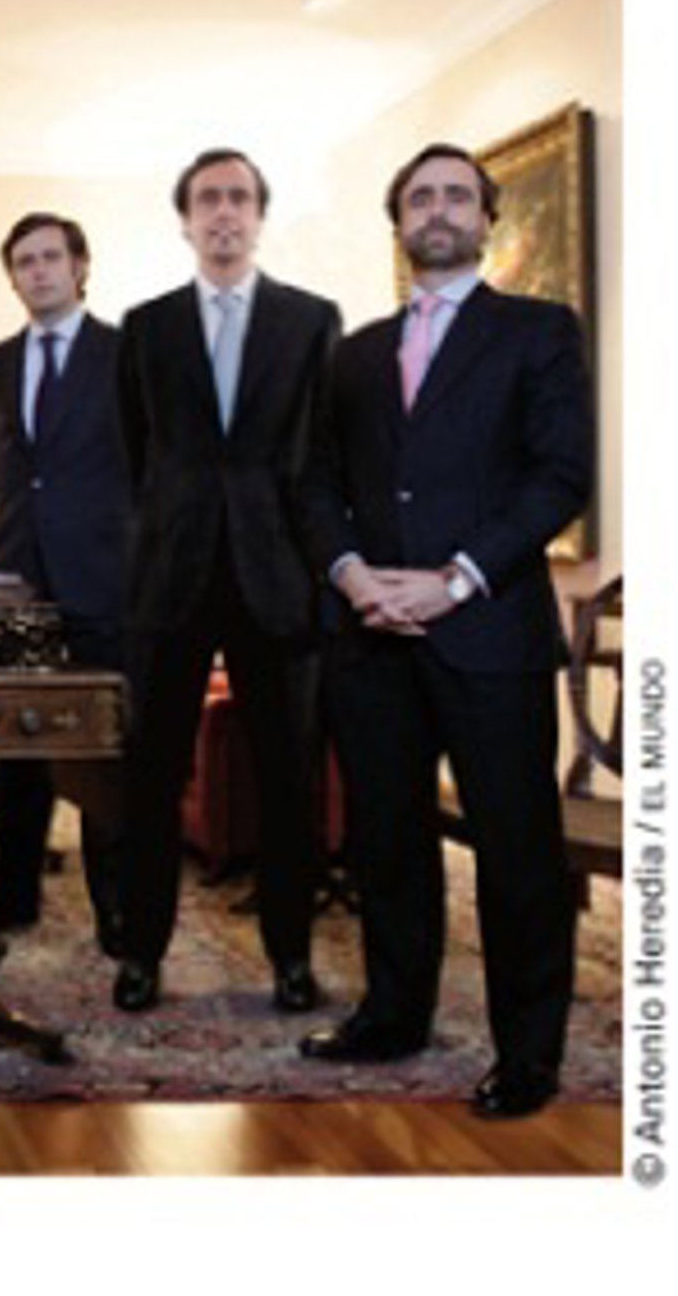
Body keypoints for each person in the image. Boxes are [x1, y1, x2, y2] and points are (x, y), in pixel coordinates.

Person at [297, 144, 593, 1120]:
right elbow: (315, 484)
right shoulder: (353, 354)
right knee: (386, 841)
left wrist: (455, 580)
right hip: (370, 635)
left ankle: (529, 1054)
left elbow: (560, 475)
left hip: (489, 633)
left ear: (486, 218)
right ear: (399, 223)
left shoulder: (539, 331)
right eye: (420, 197)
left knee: (517, 850)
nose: (438, 210)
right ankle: (394, 1016)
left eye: (457, 196)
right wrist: (351, 575)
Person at [111, 148, 341, 1015]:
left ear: (259, 216)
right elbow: (137, 454)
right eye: (208, 199)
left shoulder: (311, 320)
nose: (223, 212)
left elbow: (323, 451)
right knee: (150, 776)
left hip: (277, 578)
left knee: (288, 780)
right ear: (185, 221)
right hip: (170, 578)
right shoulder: (146, 327)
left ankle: (291, 958)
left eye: (239, 197)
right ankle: (141, 955)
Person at [0, 212, 130, 951]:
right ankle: (13, 896)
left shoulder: (127, 356)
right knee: (14, 751)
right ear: (13, 277)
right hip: (15, 582)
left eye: (50, 257)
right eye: (24, 262)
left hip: (107, 581)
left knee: (105, 754)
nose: (38, 271)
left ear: (80, 266)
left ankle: (118, 911)